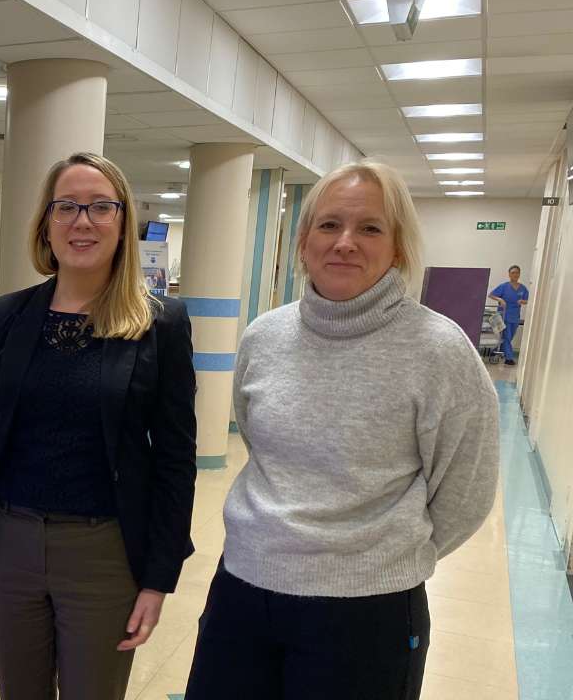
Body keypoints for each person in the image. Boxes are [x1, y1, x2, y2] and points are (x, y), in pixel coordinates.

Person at [185, 160, 499, 700]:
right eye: (329, 225)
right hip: (244, 588)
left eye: (370, 228)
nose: (345, 243)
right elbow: (262, 453)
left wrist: (379, 558)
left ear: (398, 246)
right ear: (303, 241)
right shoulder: (265, 337)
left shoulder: (440, 351)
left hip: (367, 612)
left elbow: (466, 493)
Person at [0, 151, 198, 699]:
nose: (81, 222)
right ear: (46, 222)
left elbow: (175, 460)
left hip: (104, 553)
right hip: (10, 544)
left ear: (123, 221)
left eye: (99, 208)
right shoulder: (8, 316)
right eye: (66, 207)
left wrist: (158, 578)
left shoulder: (160, 323)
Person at [489, 265, 529, 366]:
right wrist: (500, 299)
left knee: (510, 337)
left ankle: (494, 351)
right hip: (503, 315)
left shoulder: (523, 288)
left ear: (519, 274)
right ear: (509, 274)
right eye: (513, 273)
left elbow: (528, 300)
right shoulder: (504, 286)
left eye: (517, 273)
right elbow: (491, 295)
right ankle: (509, 358)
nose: (515, 274)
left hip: (515, 317)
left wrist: (523, 301)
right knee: (506, 336)